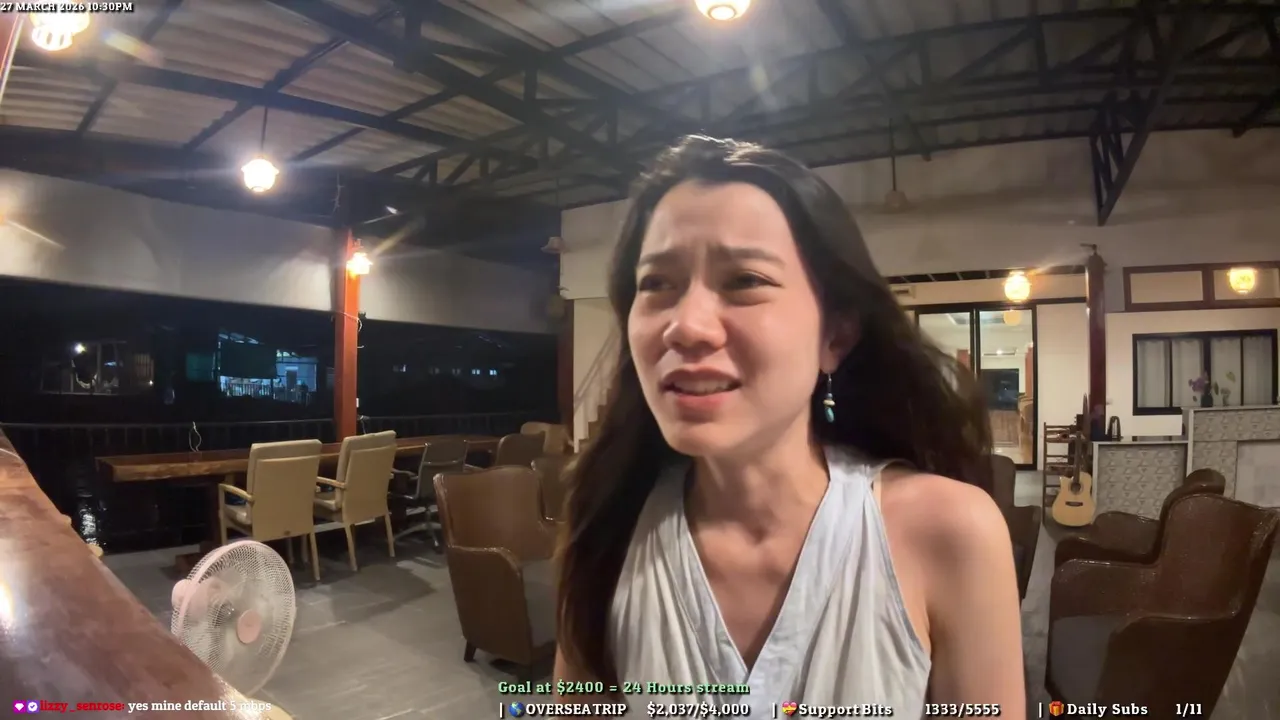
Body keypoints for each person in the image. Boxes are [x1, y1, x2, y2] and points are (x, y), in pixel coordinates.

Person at [554, 136, 1025, 718]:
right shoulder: (608, 523)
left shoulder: (949, 532)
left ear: (835, 337)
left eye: (745, 281)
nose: (686, 326)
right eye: (656, 284)